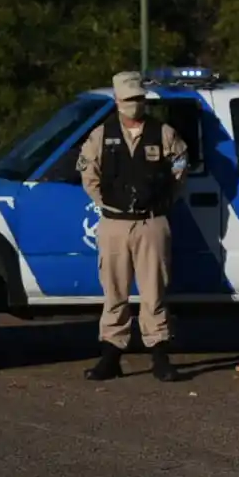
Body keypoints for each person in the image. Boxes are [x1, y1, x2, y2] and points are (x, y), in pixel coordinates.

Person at [77, 70, 190, 382]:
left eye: (139, 99)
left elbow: (180, 171)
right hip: (114, 224)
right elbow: (89, 175)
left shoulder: (164, 133)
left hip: (150, 222)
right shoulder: (101, 135)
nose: (134, 105)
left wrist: (163, 203)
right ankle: (111, 358)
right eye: (128, 100)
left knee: (154, 293)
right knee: (114, 293)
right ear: (116, 101)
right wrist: (107, 204)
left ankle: (160, 357)